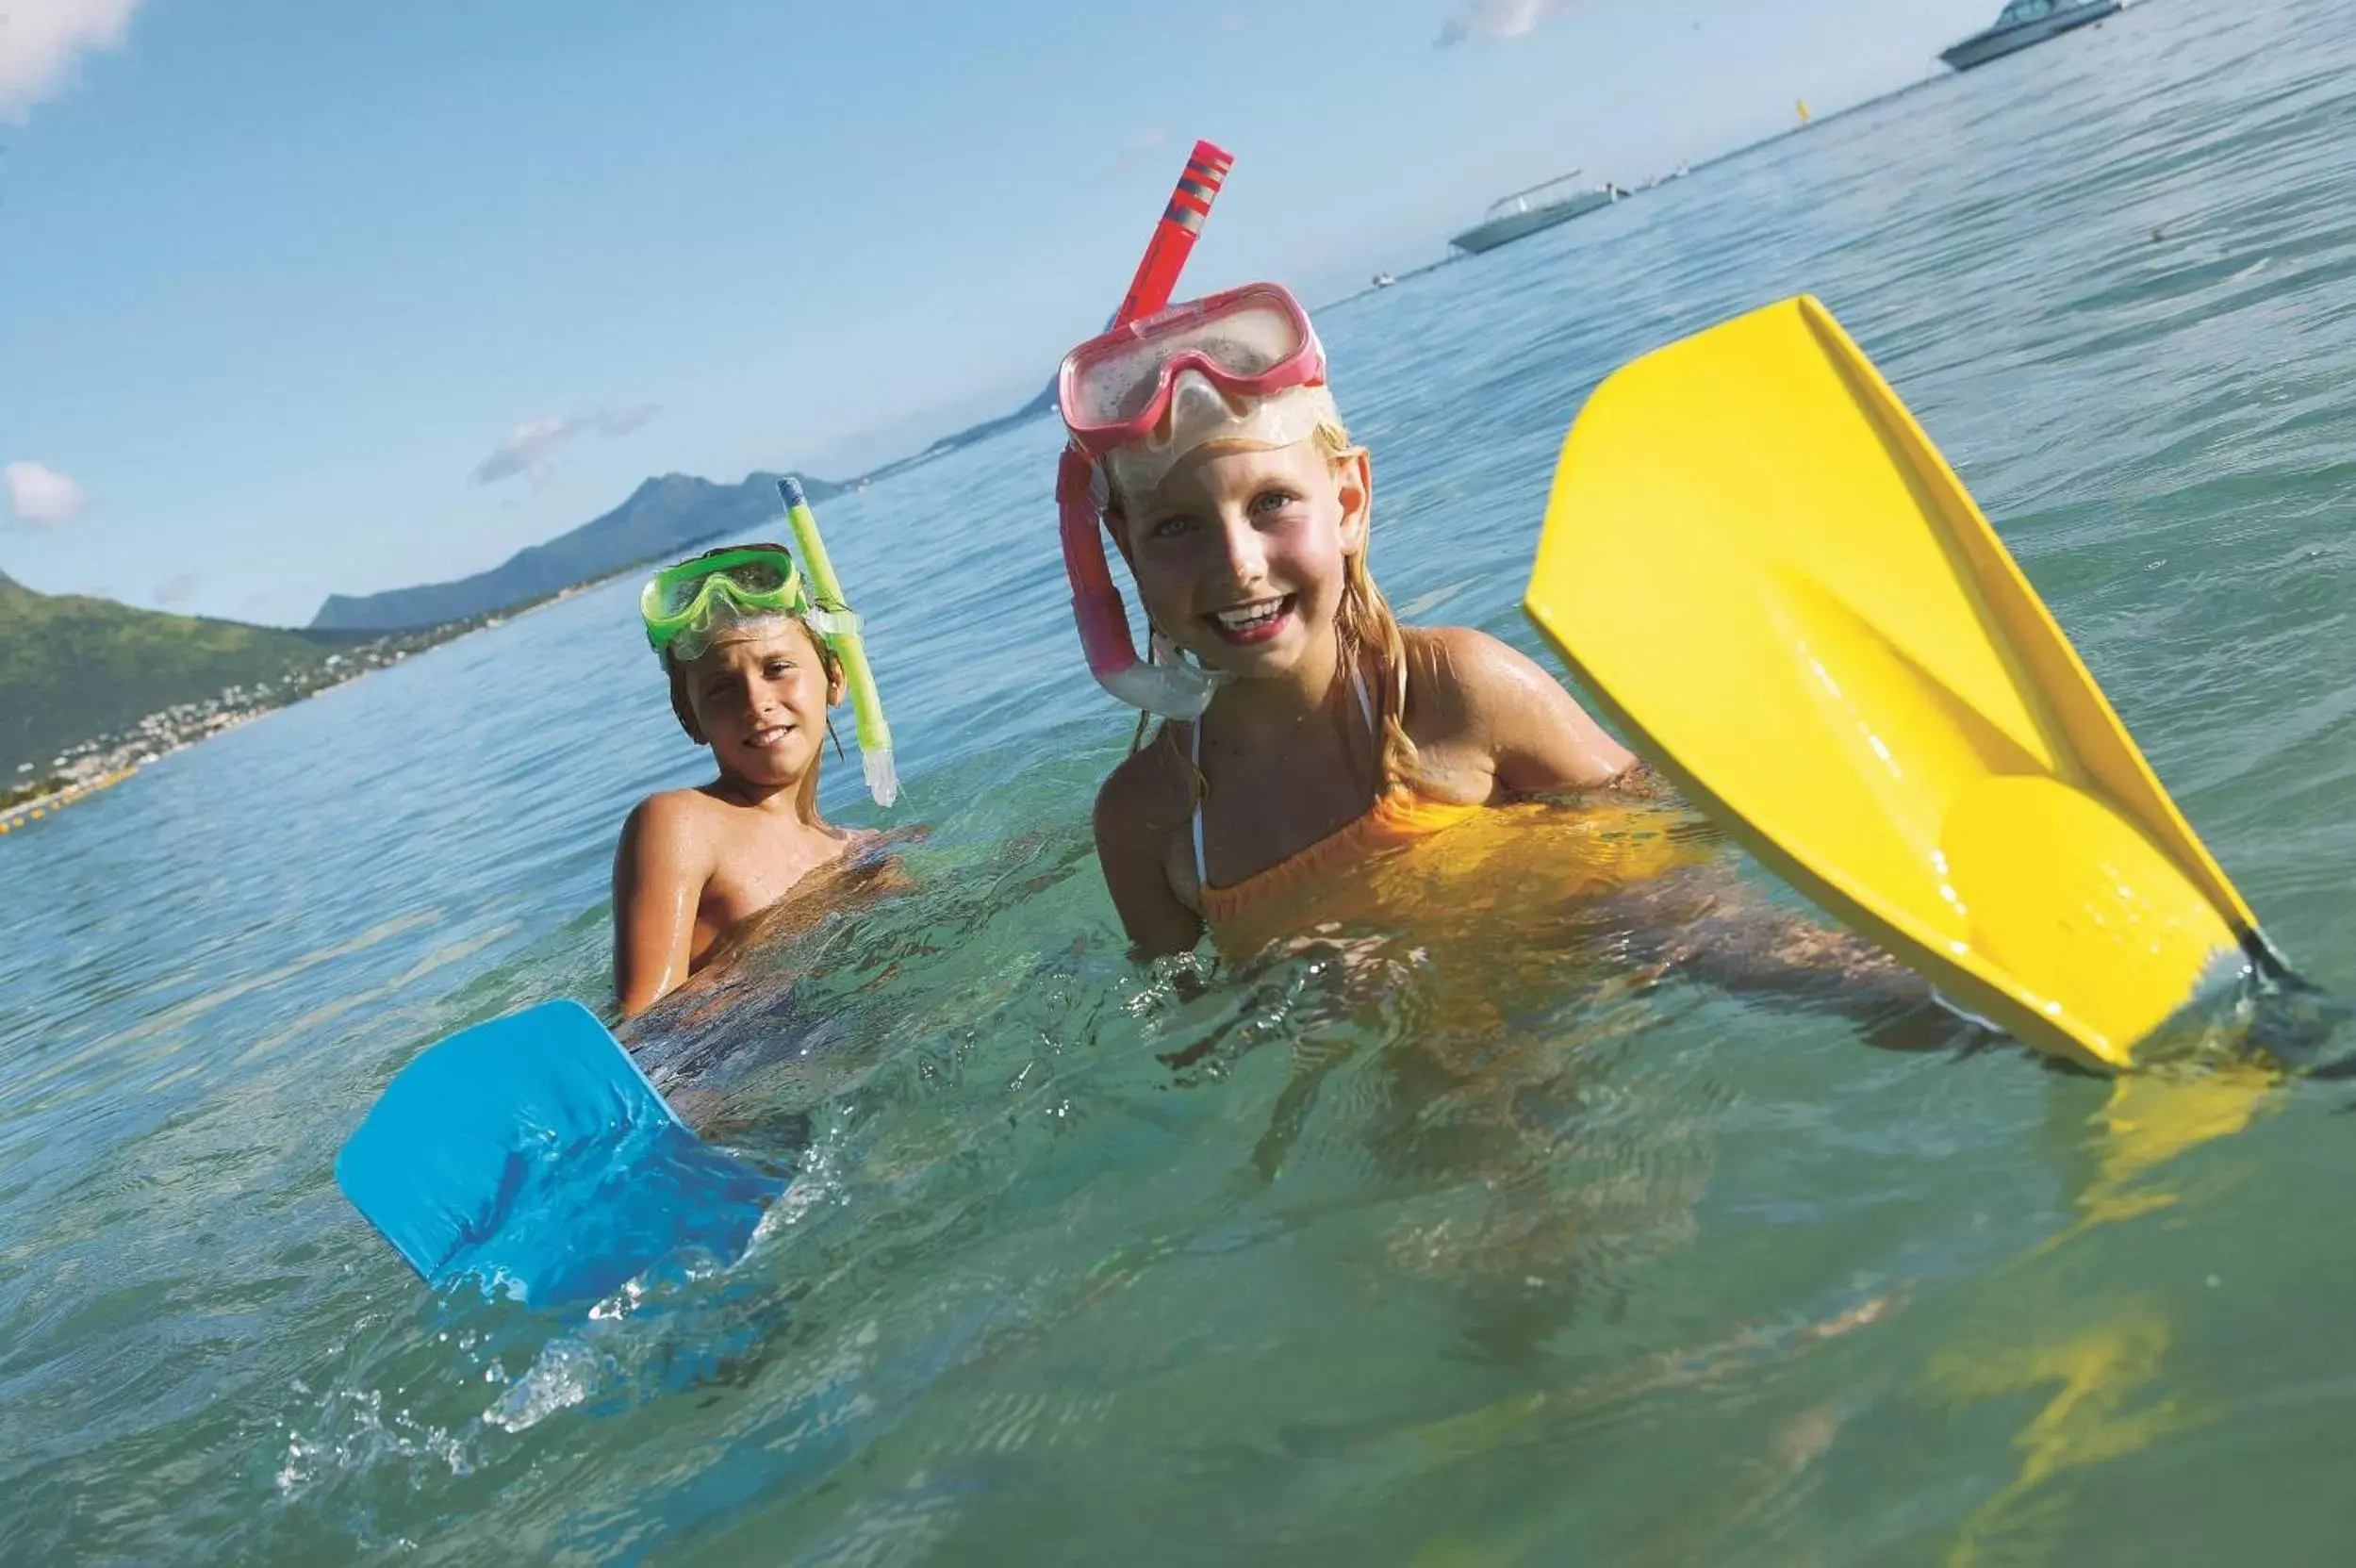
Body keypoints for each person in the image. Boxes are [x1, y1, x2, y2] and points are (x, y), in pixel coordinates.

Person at [1063, 281, 1711, 962]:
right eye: (1174, 526)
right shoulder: (1145, 818)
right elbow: (1192, 1042)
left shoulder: (1460, 692)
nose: (1237, 563)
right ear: (1126, 550)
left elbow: (1677, 864)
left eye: (1271, 501)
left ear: (1347, 501)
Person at [612, 535, 896, 1016]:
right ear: (689, 716)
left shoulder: (862, 852)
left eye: (777, 667)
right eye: (722, 688)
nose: (756, 702)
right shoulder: (680, 824)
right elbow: (644, 1024)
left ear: (835, 676)